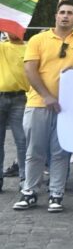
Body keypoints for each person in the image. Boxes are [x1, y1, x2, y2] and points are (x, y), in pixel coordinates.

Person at [14, 0, 73, 212]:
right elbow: (30, 70)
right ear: (56, 16)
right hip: (39, 104)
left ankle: (56, 193)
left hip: (68, 108)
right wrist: (47, 95)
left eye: (70, 13)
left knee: (61, 152)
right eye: (62, 12)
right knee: (35, 150)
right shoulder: (38, 39)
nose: (66, 16)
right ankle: (29, 191)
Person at [0, 31, 28, 193]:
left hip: (21, 98)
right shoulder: (2, 46)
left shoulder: (30, 47)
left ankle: (25, 178)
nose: (12, 32)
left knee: (22, 141)